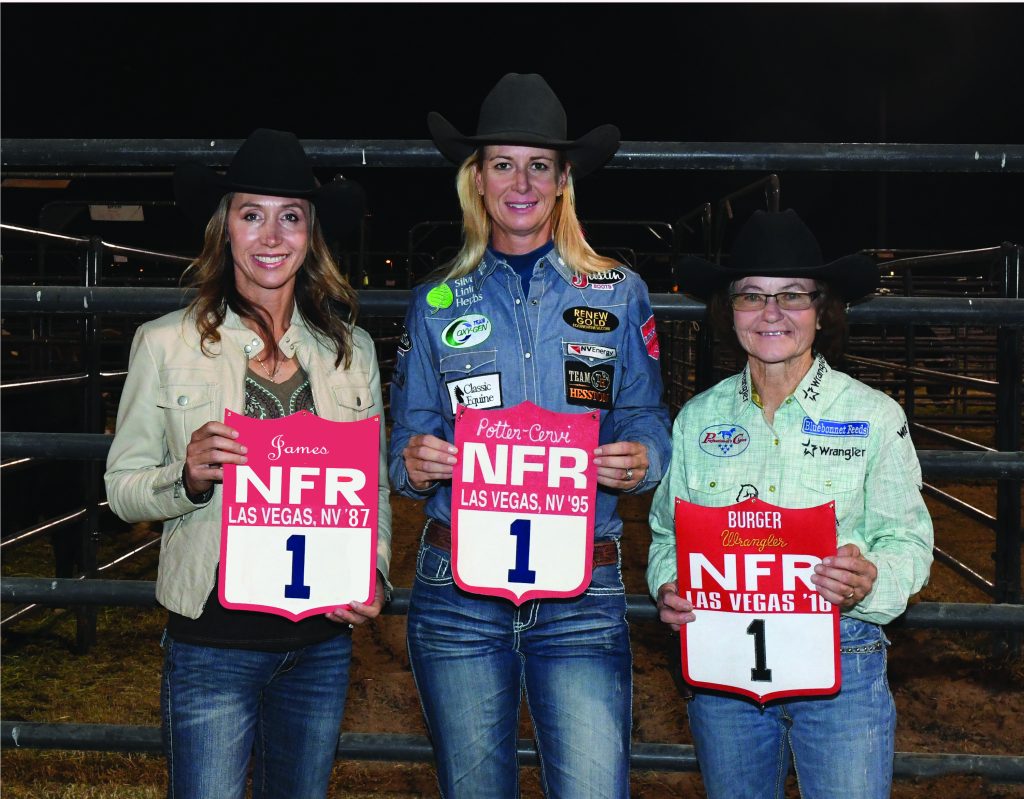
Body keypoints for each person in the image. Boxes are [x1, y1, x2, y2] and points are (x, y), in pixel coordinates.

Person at [389, 73, 671, 798]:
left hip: (581, 586)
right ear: (476, 179)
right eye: (503, 163)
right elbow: (404, 440)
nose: (522, 181)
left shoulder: (617, 291)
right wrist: (416, 461)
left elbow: (645, 415)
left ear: (563, 179)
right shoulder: (434, 300)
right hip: (458, 588)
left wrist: (642, 457)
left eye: (539, 164)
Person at [104, 128, 392, 799]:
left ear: (311, 234)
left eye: (290, 216)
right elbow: (121, 489)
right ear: (224, 228)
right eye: (251, 214)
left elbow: (372, 486)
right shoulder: (164, 345)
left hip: (321, 643)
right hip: (212, 641)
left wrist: (373, 569)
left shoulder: (352, 354)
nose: (271, 235)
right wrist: (187, 476)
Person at [647, 209, 934, 799]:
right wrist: (669, 585)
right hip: (723, 661)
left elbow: (908, 539)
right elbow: (667, 535)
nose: (771, 313)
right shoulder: (699, 419)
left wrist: (869, 578)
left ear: (822, 310)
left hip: (843, 653)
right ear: (729, 312)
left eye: (792, 296)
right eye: (751, 296)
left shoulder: (874, 416)